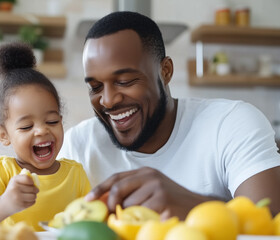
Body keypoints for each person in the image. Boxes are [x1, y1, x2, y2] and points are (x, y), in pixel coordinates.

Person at [58, 11, 280, 220]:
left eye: (124, 82)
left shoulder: (231, 123)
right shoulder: (78, 145)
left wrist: (193, 206)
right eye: (95, 87)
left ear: (165, 71)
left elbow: (269, 221)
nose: (107, 100)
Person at [0, 43, 91, 231]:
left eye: (51, 121)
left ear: (61, 120)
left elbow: (91, 219)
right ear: (4, 135)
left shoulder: (76, 175)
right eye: (26, 126)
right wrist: (5, 204)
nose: (42, 131)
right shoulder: (3, 171)